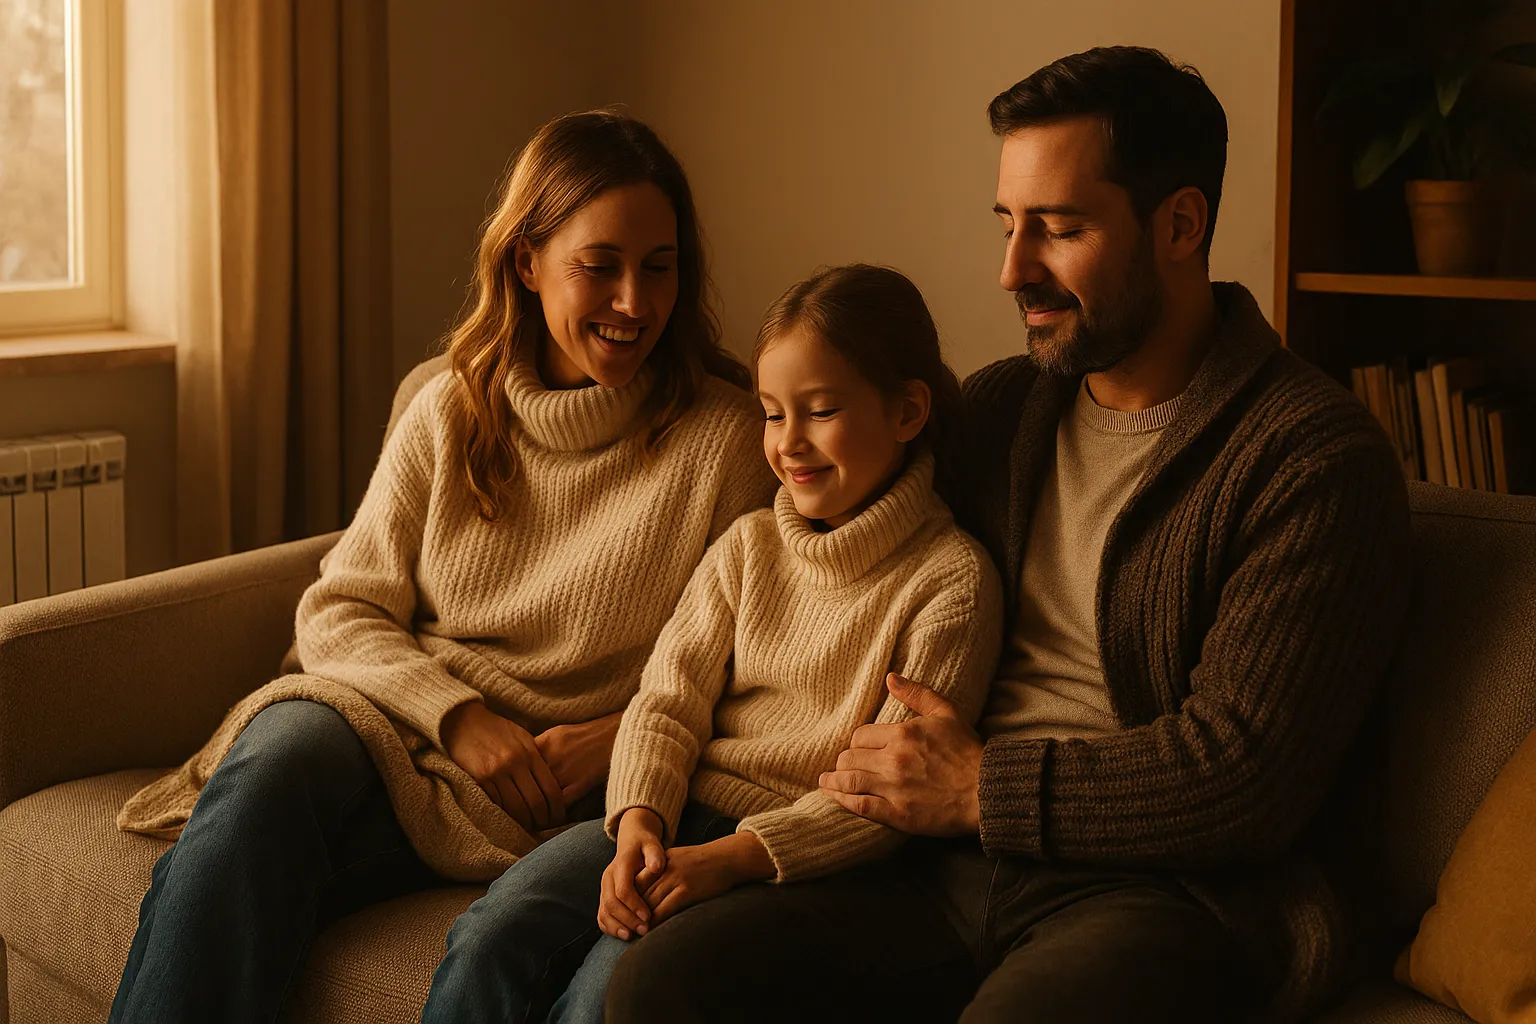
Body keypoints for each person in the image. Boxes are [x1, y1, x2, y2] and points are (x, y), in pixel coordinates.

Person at [604, 47, 1413, 1024]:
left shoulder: (1311, 459)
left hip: (1158, 892)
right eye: (1008, 225)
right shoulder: (998, 411)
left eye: (1060, 230)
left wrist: (986, 787)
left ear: (1180, 224)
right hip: (930, 862)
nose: (1012, 271)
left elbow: (1244, 776)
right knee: (664, 983)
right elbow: (824, 559)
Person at [106, 109, 778, 1024]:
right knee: (270, 772)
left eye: (659, 268)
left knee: (244, 865)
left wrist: (622, 731)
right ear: (527, 262)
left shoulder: (729, 441)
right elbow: (339, 609)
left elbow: (762, 668)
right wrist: (458, 717)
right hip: (397, 730)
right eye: (600, 266)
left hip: (570, 789)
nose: (633, 302)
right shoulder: (451, 408)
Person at [419, 264, 1004, 1023]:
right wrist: (639, 821)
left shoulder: (951, 583)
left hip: (785, 851)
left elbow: (889, 794)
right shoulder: (747, 547)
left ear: (907, 411)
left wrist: (728, 860)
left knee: (605, 995)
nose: (789, 444)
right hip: (678, 810)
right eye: (771, 415)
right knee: (492, 933)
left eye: (821, 411)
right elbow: (667, 701)